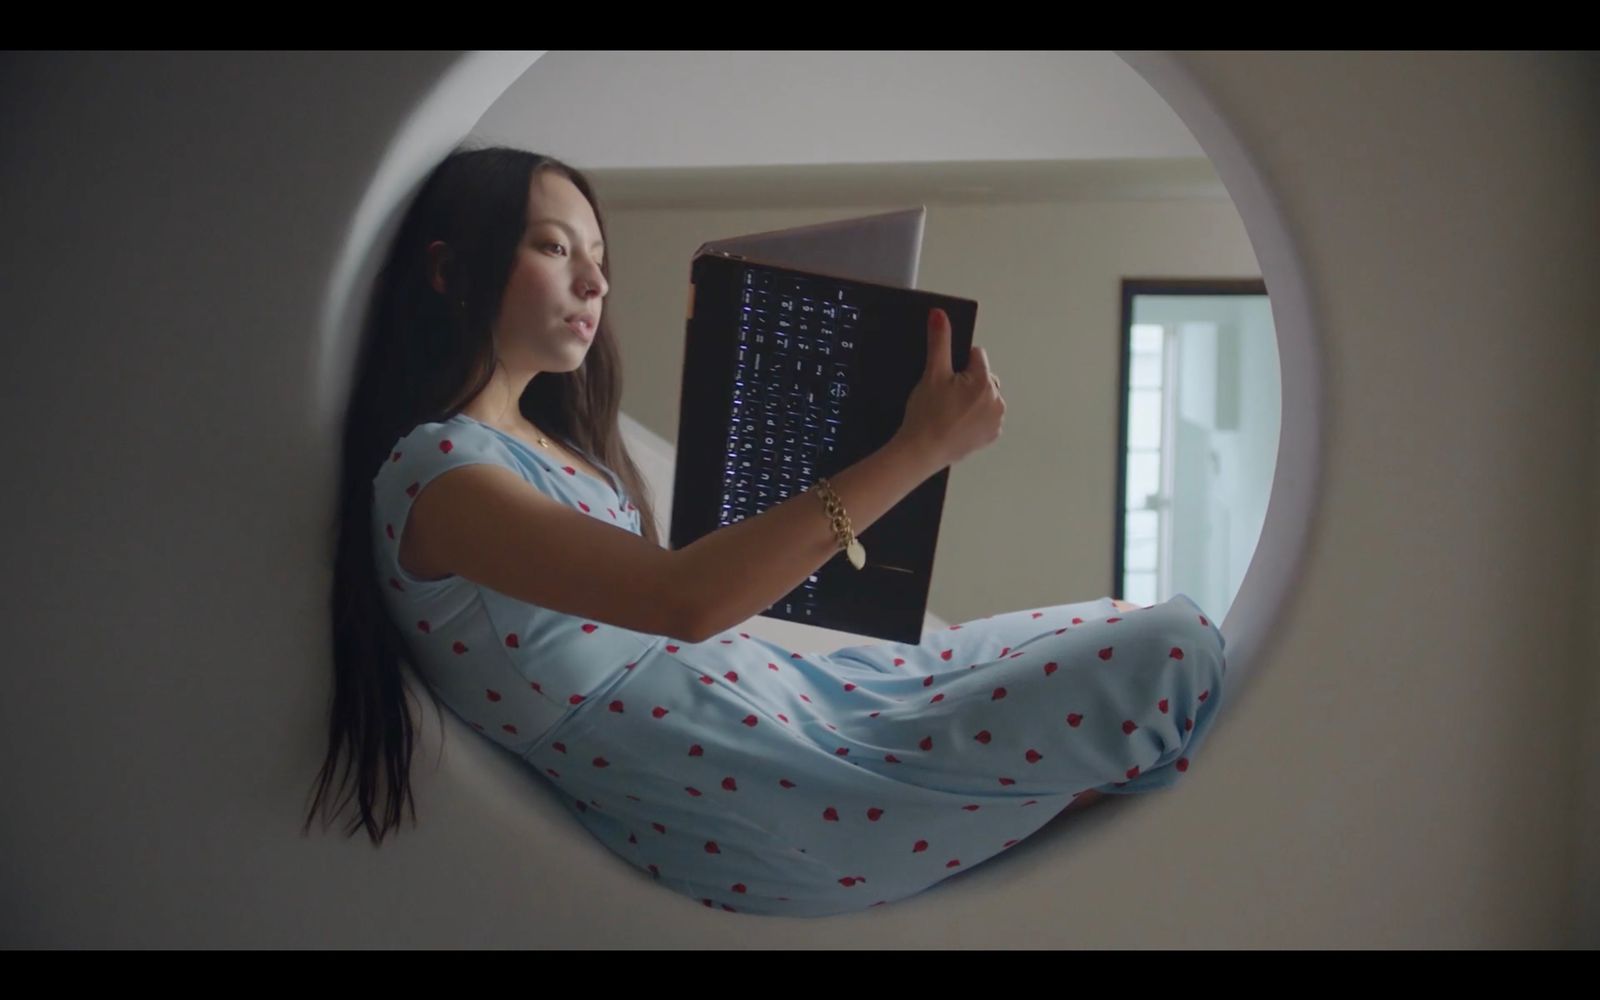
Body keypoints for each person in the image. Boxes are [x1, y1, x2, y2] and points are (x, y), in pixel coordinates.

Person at [305, 143, 1228, 917]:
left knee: (1124, 630)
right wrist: (917, 449)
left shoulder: (556, 448)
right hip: (758, 780)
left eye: (598, 254)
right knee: (1166, 653)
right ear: (447, 271)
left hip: (799, 706)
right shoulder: (440, 474)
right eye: (554, 247)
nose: (595, 280)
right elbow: (688, 600)